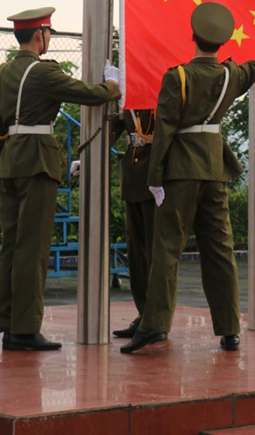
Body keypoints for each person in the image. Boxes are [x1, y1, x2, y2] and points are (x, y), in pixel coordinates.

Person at [121, 1, 255, 354]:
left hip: (181, 171)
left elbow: (165, 130)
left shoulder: (177, 76)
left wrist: (155, 178)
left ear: (193, 36)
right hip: (214, 170)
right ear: (222, 42)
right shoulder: (231, 75)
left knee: (167, 249)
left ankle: (154, 325)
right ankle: (229, 329)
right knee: (220, 250)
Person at [0, 6, 121, 352]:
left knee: (11, 247)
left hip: (9, 161)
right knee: (33, 248)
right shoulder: (44, 72)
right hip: (37, 161)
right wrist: (112, 84)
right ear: (39, 35)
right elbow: (90, 95)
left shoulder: (0, 74)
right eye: (48, 34)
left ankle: (9, 325)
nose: (48, 40)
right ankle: (26, 330)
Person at [110, 109, 156, 339]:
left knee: (155, 250)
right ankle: (143, 313)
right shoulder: (127, 91)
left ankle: (156, 317)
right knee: (136, 250)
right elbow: (115, 125)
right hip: (133, 173)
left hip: (157, 171)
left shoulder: (165, 82)